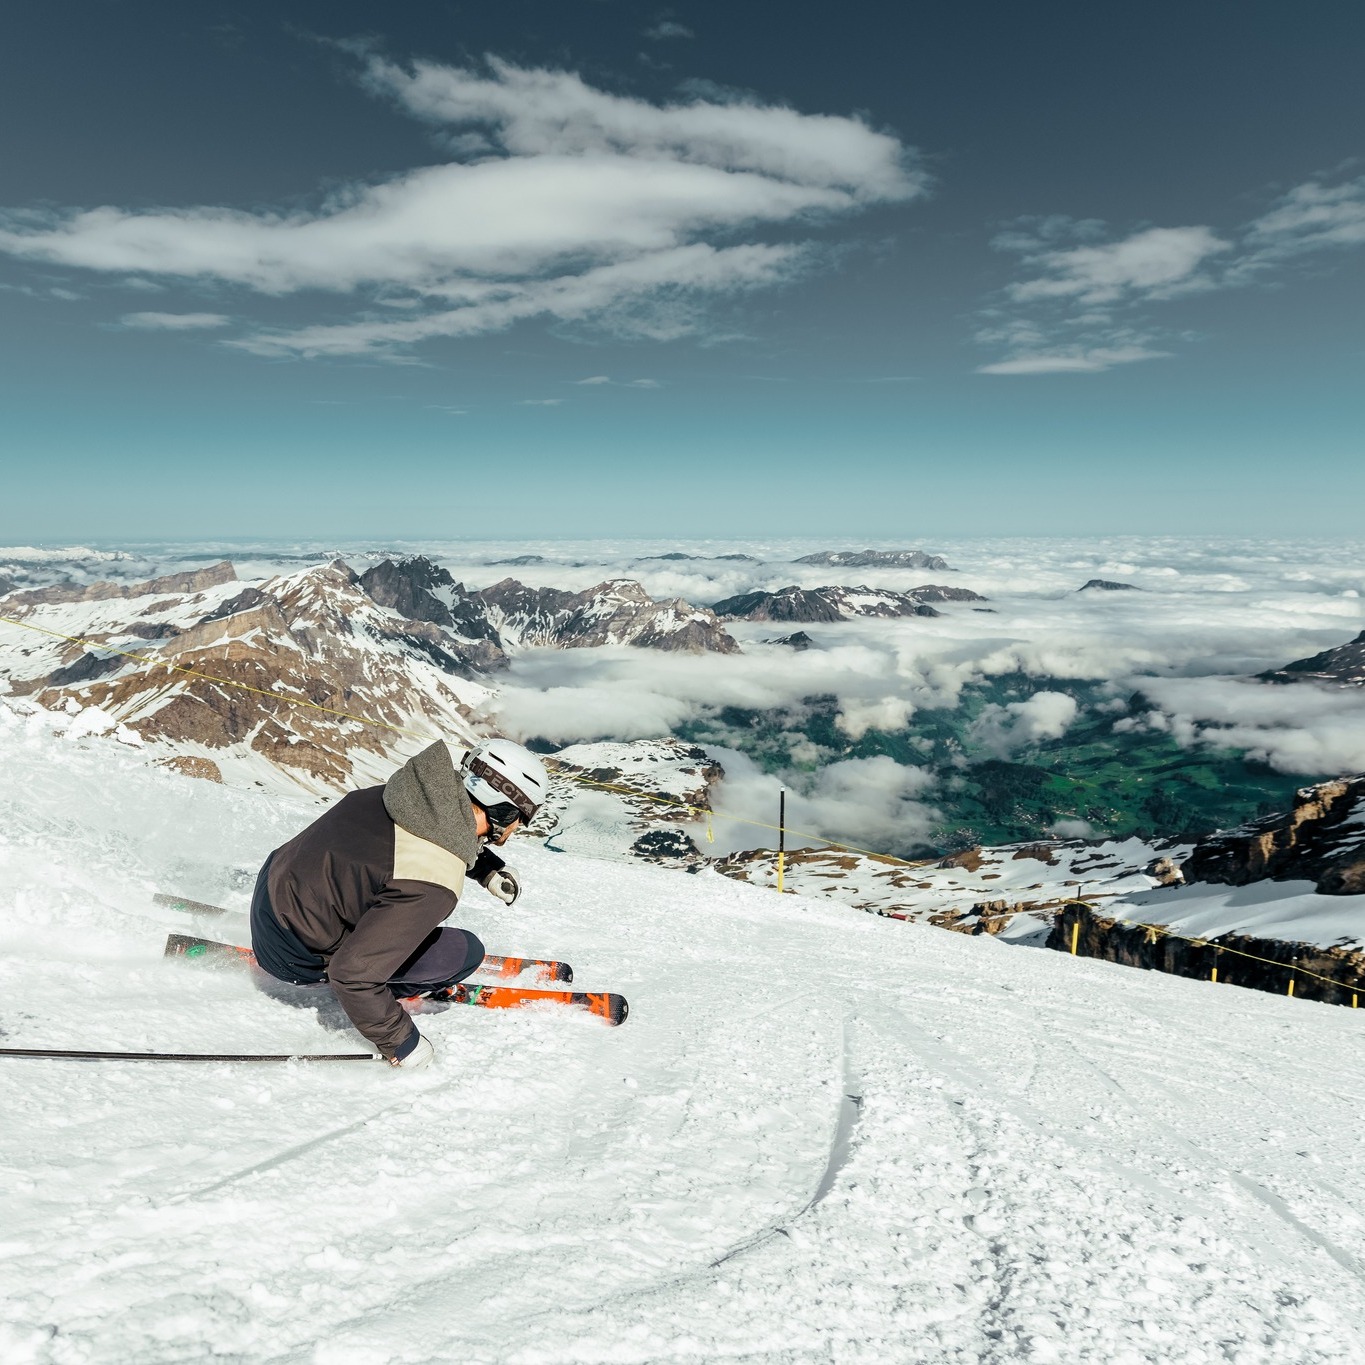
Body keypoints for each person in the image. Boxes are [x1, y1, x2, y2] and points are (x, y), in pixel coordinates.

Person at [249, 737, 549, 1069]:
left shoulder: (406, 793)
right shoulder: (433, 880)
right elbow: (352, 974)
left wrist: (488, 869)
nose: (518, 828)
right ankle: (368, 991)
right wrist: (402, 1042)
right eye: (522, 818)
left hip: (270, 904)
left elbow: (434, 830)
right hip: (296, 958)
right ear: (504, 809)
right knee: (464, 951)